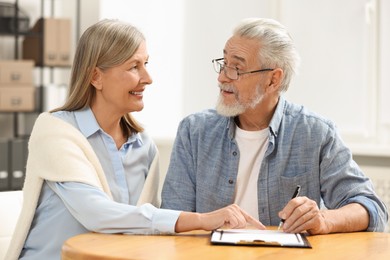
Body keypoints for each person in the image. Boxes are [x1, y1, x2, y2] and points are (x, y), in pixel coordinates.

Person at [6, 19, 263, 260]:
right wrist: (201, 219)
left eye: (146, 64)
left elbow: (141, 230)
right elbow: (96, 213)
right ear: (95, 77)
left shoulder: (144, 147)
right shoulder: (55, 132)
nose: (147, 79)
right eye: (133, 66)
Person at [161, 18, 388, 234]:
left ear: (273, 79)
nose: (222, 78)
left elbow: (372, 208)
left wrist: (323, 220)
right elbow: (171, 218)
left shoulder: (315, 133)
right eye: (224, 64)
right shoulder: (194, 131)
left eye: (236, 69)